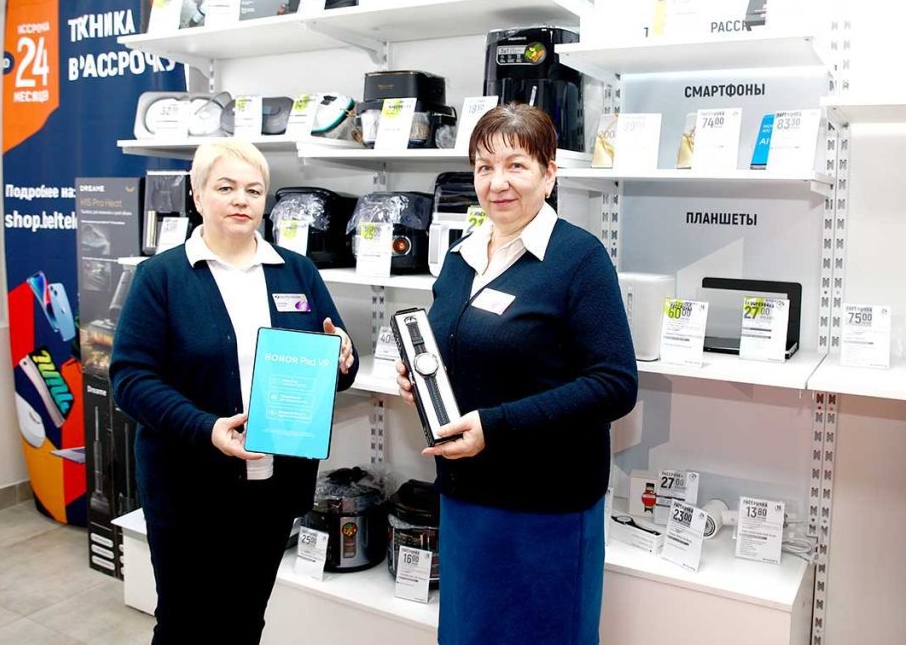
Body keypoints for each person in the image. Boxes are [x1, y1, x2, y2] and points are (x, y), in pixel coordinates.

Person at [396, 104, 638, 644]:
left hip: (545, 508)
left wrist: (496, 426)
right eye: (484, 167)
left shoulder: (579, 259)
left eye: (516, 165)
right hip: (465, 498)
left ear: (549, 174)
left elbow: (615, 384)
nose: (497, 182)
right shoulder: (461, 257)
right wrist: (424, 377)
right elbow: (463, 348)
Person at [111, 140, 358, 644]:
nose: (241, 200)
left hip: (271, 483)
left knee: (246, 618)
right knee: (185, 623)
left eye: (253, 189)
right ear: (197, 195)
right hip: (188, 486)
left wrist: (343, 360)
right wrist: (206, 428)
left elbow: (329, 355)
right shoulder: (161, 277)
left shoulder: (297, 271)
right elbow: (131, 379)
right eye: (225, 188)